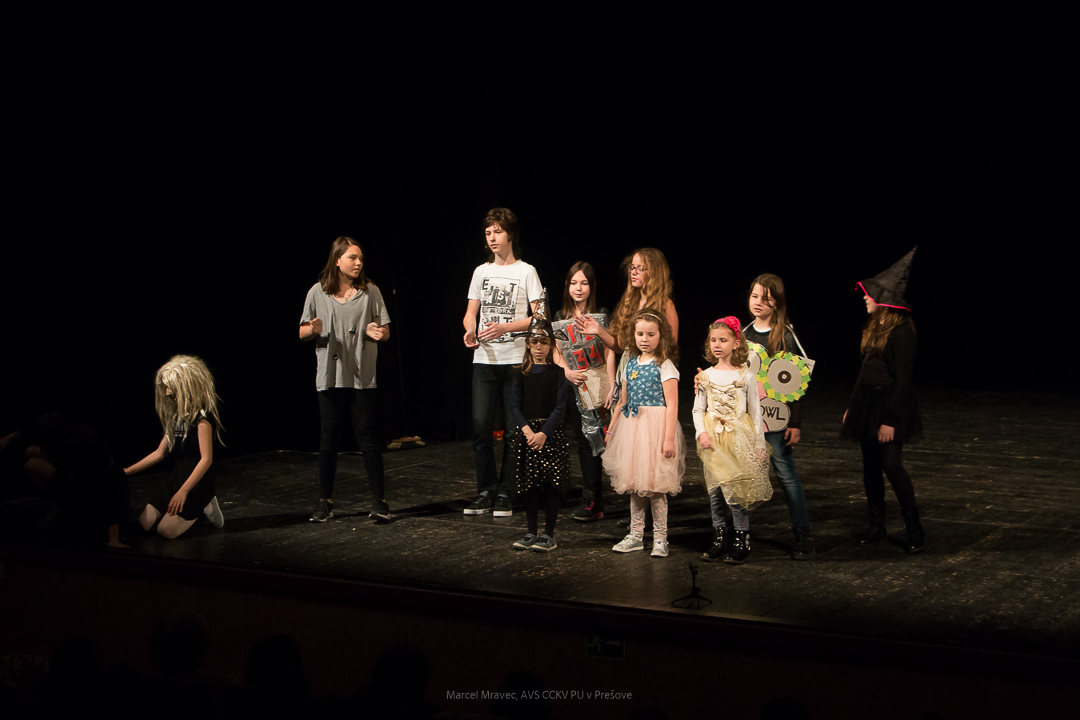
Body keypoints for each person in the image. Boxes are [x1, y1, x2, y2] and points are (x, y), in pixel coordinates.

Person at [299, 237, 392, 523]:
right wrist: (312, 329)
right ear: (337, 260)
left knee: (366, 436)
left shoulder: (370, 291)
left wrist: (378, 333)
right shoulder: (317, 292)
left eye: (361, 258)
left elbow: (386, 330)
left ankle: (380, 501)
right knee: (329, 438)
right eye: (352, 257)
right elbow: (302, 332)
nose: (358, 263)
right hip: (330, 374)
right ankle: (325, 502)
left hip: (362, 374)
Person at [841, 247, 924, 554]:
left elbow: (904, 379)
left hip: (890, 403)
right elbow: (864, 371)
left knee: (891, 464)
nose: (865, 298)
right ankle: (877, 526)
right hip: (867, 401)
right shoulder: (873, 327)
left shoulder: (902, 331)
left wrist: (890, 419)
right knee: (871, 466)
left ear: (884, 300)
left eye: (870, 295)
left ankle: (914, 528)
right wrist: (852, 406)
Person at [462, 208, 543, 516]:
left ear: (510, 234)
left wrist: (506, 327)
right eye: (488, 233)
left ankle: (507, 491)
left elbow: (539, 316)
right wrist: (470, 330)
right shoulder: (480, 272)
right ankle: (486, 490)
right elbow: (471, 312)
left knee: (512, 430)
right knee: (481, 427)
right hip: (484, 359)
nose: (492, 238)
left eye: (497, 231)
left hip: (514, 360)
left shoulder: (526, 271)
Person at [742, 274, 816, 560]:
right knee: (748, 475)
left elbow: (796, 380)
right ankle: (741, 533)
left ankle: (802, 533)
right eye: (755, 296)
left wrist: (795, 422)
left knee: (786, 474)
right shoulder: (742, 334)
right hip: (748, 419)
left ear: (777, 302)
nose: (758, 302)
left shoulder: (784, 335)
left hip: (775, 419)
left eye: (766, 298)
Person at [604, 309, 685, 558]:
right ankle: (636, 535)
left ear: (661, 336)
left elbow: (672, 404)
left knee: (656, 485)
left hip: (656, 428)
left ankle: (660, 538)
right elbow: (622, 401)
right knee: (635, 483)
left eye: (651, 334)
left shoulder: (664, 365)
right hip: (633, 428)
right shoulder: (629, 364)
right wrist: (612, 428)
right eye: (640, 334)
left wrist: (668, 438)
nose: (645, 339)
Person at [693, 317, 772, 564]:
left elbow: (755, 413)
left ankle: (741, 539)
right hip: (714, 439)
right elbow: (698, 409)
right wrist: (701, 433)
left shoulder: (746, 376)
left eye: (723, 340)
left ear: (736, 344)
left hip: (738, 437)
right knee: (716, 491)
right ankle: (719, 538)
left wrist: (758, 445)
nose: (717, 345)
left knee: (737, 490)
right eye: (713, 340)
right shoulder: (705, 376)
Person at [125, 355, 224, 539]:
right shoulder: (176, 417)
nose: (167, 392)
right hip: (178, 478)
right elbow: (159, 453)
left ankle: (206, 502)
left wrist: (184, 491)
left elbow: (206, 459)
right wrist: (125, 472)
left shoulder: (202, 419)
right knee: (145, 524)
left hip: (197, 482)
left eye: (170, 387)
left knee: (165, 531)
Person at [552, 262, 616, 522]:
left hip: (599, 381)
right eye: (574, 283)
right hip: (576, 384)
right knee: (584, 439)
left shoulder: (601, 314)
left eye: (584, 283)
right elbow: (556, 350)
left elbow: (610, 349)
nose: (578, 288)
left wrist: (612, 384)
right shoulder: (561, 315)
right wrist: (566, 371)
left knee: (603, 438)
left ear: (592, 286)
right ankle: (591, 499)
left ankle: (619, 493)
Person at [508, 328, 573, 551]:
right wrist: (528, 432)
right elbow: (514, 405)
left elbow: (561, 406)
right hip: (528, 435)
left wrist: (544, 433)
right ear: (528, 343)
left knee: (552, 484)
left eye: (543, 342)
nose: (538, 347)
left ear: (551, 345)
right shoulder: (520, 373)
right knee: (530, 485)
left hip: (550, 434)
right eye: (534, 342)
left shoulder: (557, 373)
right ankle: (531, 532)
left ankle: (549, 534)